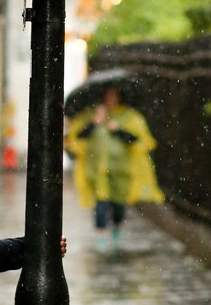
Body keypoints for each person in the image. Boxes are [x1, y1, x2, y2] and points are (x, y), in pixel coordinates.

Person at [66, 86, 163, 247]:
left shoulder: (129, 116)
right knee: (101, 203)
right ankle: (101, 234)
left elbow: (138, 139)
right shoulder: (92, 114)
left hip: (121, 171)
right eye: (108, 95)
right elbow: (77, 137)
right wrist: (94, 123)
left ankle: (116, 228)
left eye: (114, 96)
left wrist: (118, 130)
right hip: (97, 171)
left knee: (118, 205)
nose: (111, 99)